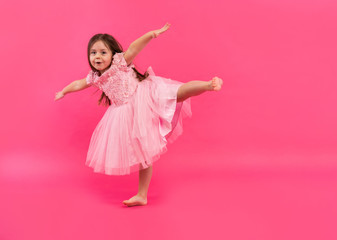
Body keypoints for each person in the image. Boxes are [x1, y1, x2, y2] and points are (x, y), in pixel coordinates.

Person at [54, 23, 223, 207]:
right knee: (144, 155)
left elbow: (134, 47)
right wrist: (64, 91)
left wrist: (151, 35)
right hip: (125, 114)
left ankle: (207, 85)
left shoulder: (120, 63)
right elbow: (78, 84)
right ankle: (142, 195)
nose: (97, 56)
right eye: (93, 53)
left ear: (113, 54)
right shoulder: (94, 77)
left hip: (144, 96)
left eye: (103, 52)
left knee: (178, 93)